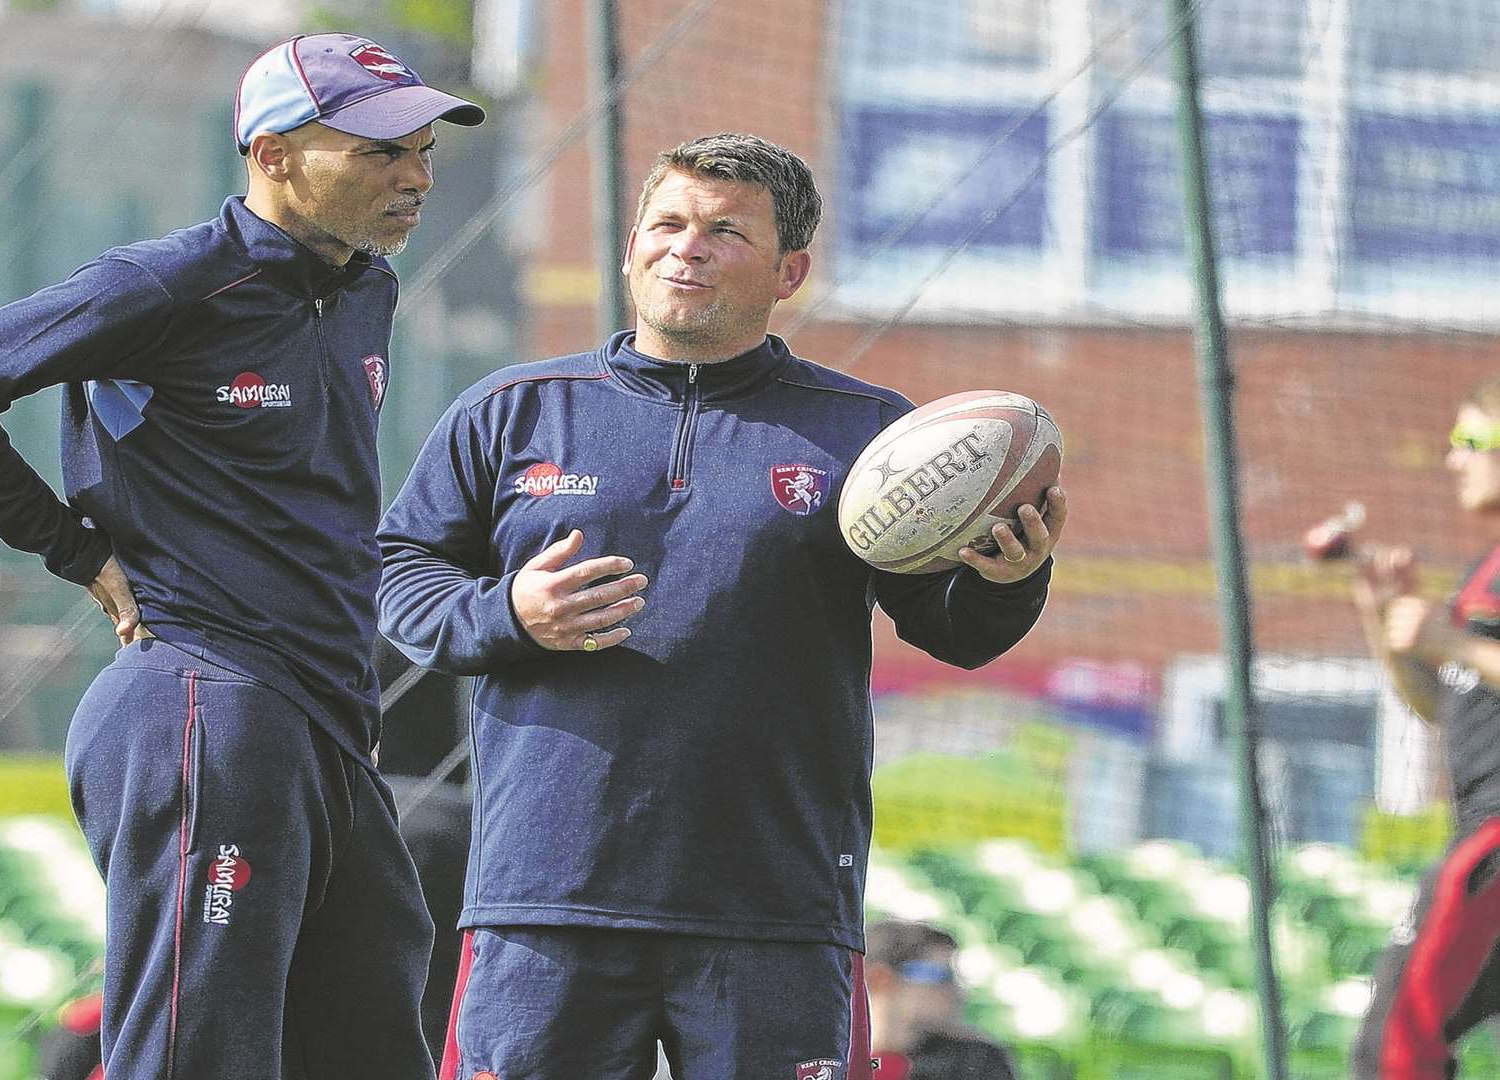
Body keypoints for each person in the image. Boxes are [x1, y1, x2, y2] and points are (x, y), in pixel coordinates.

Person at [377, 133, 1066, 1080]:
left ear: (791, 270)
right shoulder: (511, 411)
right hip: (546, 899)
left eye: (724, 232)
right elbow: (400, 578)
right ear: (629, 250)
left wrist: (1006, 577)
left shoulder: (865, 434)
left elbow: (951, 630)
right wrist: (509, 616)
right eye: (666, 223)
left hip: (774, 908)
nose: (685, 248)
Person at [0, 32, 484, 1078]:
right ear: (274, 152)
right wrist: (68, 547)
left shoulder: (367, 286)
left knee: (379, 1044)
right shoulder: (165, 283)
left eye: (423, 150)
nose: (415, 176)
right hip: (207, 702)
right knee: (198, 1054)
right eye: (381, 151)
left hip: (328, 722)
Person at [1350, 377, 1500, 1079]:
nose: (1452, 458)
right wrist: (1387, 626)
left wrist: (1456, 646)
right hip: (1478, 823)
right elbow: (1444, 706)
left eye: (1471, 439)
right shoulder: (1486, 568)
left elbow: (1465, 660)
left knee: (1396, 1047)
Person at [864, 920, 1015, 1080]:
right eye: (942, 976)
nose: (958, 992)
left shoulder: (976, 1061)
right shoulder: (841, 1059)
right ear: (881, 979)